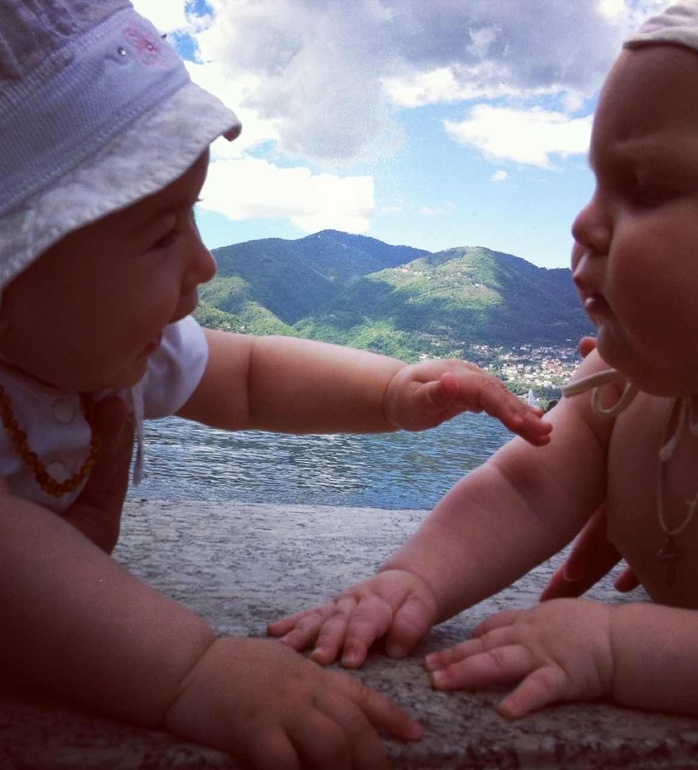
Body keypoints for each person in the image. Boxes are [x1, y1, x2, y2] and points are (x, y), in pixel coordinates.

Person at [0, 2, 552, 768]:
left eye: (193, 218)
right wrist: (191, 669)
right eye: (162, 234)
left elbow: (251, 376)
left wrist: (395, 391)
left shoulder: (104, 352)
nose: (206, 263)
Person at [270, 0, 698, 729]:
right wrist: (413, 580)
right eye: (595, 184)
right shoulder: (618, 390)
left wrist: (617, 647)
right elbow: (524, 487)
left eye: (648, 189)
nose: (582, 223)